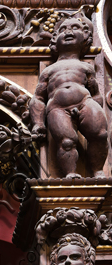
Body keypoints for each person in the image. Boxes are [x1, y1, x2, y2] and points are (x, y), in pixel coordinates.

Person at [29, 17, 108, 178]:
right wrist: (38, 123)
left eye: (74, 28)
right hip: (58, 108)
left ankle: (98, 171)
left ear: (85, 38)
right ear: (55, 40)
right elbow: (37, 98)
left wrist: (97, 111)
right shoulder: (49, 71)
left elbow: (96, 94)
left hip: (85, 102)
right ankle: (70, 174)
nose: (69, 31)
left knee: (100, 134)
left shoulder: (86, 67)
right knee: (66, 142)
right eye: (63, 29)